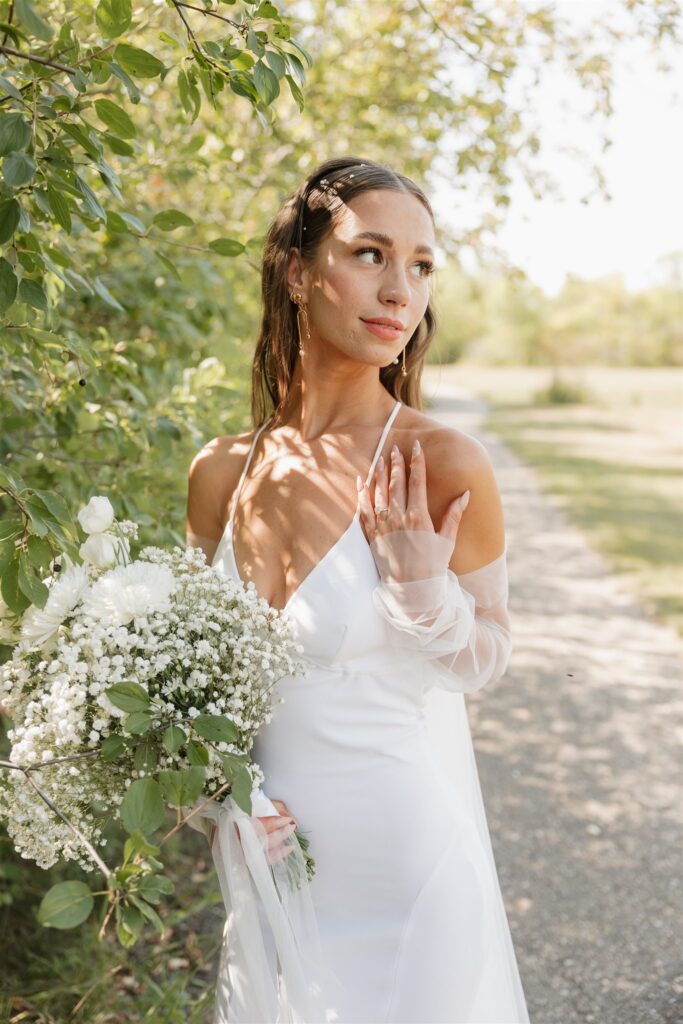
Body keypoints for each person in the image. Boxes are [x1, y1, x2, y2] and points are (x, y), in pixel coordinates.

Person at [186, 157, 530, 1023]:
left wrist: (422, 588)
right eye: (369, 254)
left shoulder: (443, 463)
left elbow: (484, 657)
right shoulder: (220, 471)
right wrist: (212, 804)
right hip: (271, 874)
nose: (399, 291)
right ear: (298, 273)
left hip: (406, 872)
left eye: (419, 266)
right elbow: (189, 694)